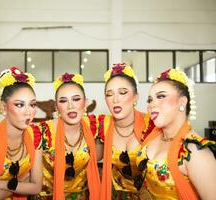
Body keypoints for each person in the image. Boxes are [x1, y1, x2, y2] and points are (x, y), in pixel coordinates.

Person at [138, 68, 216, 200]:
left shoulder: (194, 151)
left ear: (182, 102)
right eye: (150, 100)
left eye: (161, 96)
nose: (151, 105)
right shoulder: (153, 137)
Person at [32, 72, 100, 200]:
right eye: (63, 101)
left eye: (76, 99)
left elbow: (100, 156)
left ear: (85, 103)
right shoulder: (42, 132)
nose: (70, 106)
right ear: (57, 107)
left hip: (82, 196)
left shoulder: (94, 127)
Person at [0, 66, 43, 200]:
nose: (28, 112)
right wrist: (22, 182)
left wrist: (3, 184)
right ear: (3, 107)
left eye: (32, 104)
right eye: (19, 105)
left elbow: (37, 187)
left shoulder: (35, 135)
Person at [99, 63, 152, 200]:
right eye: (109, 94)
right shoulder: (102, 126)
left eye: (122, 93)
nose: (115, 100)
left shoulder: (152, 124)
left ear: (135, 97)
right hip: (116, 195)